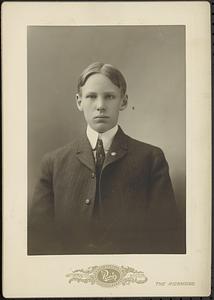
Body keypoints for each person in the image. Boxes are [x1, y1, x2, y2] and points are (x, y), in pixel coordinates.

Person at [28, 62, 185, 255]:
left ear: (124, 101)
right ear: (79, 102)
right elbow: (38, 237)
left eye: (109, 96)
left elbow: (165, 235)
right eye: (91, 96)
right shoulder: (53, 163)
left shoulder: (150, 158)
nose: (100, 106)